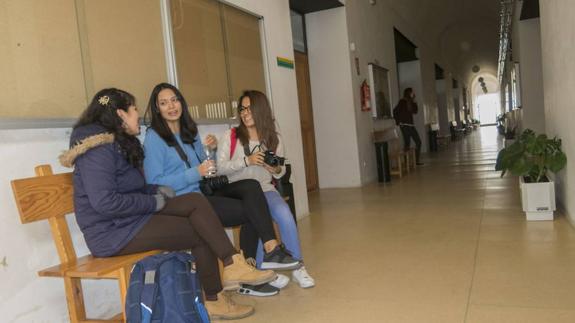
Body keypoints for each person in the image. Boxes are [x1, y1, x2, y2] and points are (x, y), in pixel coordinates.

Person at [58, 88, 276, 320]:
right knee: (199, 230)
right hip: (111, 233)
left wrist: (157, 191)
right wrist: (153, 201)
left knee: (194, 201)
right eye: (134, 110)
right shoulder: (97, 150)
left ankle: (231, 265)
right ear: (120, 114)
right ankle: (216, 296)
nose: (137, 116)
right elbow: (105, 202)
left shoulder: (117, 144)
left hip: (129, 219)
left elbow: (130, 186)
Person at [143, 83, 300, 296]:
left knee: (253, 194)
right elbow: (155, 182)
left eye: (174, 100)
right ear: (157, 108)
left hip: (202, 194)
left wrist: (211, 151)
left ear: (181, 101)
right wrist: (196, 172)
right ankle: (249, 273)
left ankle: (268, 252)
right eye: (163, 103)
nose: (171, 106)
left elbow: (209, 169)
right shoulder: (154, 138)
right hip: (183, 202)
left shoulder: (189, 131)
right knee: (253, 207)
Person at [216, 90, 315, 289]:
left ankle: (297, 266)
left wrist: (275, 168)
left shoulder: (273, 138)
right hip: (235, 191)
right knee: (256, 216)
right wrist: (247, 161)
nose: (245, 113)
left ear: (260, 110)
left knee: (284, 214)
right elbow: (220, 168)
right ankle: (261, 271)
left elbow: (281, 171)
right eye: (242, 109)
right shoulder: (232, 136)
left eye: (250, 108)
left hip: (264, 189)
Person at [393, 88, 424, 165]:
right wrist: (398, 122)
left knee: (418, 142)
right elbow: (395, 111)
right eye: (412, 92)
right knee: (407, 143)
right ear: (408, 93)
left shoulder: (411, 102)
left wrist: (413, 100)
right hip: (404, 125)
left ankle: (416, 161)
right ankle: (407, 162)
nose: (413, 93)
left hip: (410, 125)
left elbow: (415, 111)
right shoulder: (402, 101)